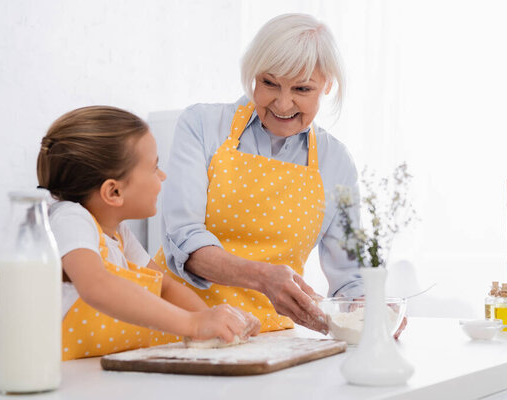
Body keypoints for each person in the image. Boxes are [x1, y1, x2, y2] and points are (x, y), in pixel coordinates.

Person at [0, 106, 260, 371]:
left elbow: (165, 288)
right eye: (154, 167)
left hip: (89, 375)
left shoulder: (118, 233)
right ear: (113, 192)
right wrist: (192, 324)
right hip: (54, 377)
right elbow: (96, 285)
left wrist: (219, 322)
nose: (162, 176)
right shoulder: (70, 218)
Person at [153, 13, 364, 335]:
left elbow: (349, 276)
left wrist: (367, 310)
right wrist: (263, 278)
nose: (282, 103)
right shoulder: (201, 126)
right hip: (177, 324)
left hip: (269, 338)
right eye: (269, 83)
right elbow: (183, 240)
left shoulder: (336, 162)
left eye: (302, 89)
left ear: (327, 86)